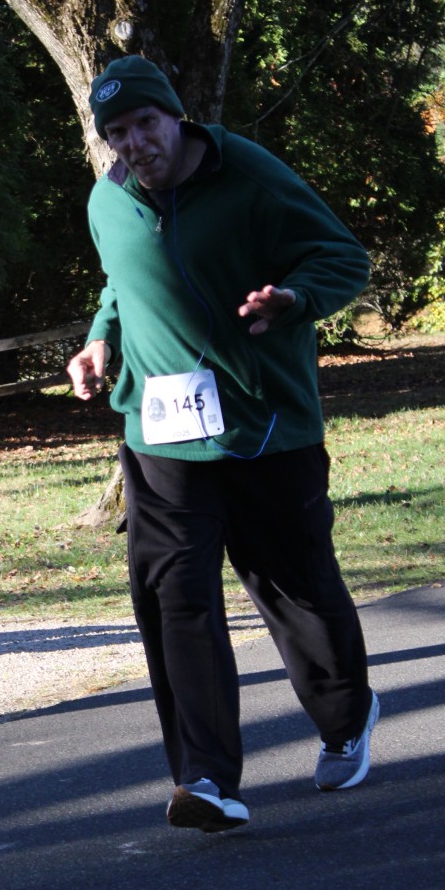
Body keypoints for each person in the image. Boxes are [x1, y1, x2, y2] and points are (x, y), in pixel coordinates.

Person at [67, 55, 378, 833]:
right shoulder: (109, 200)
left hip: (263, 423)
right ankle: (205, 777)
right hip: (162, 435)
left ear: (176, 117)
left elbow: (344, 257)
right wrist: (101, 339)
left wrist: (294, 299)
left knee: (293, 587)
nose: (136, 143)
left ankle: (346, 717)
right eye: (117, 132)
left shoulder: (248, 174)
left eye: (146, 123)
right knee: (175, 595)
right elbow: (119, 282)